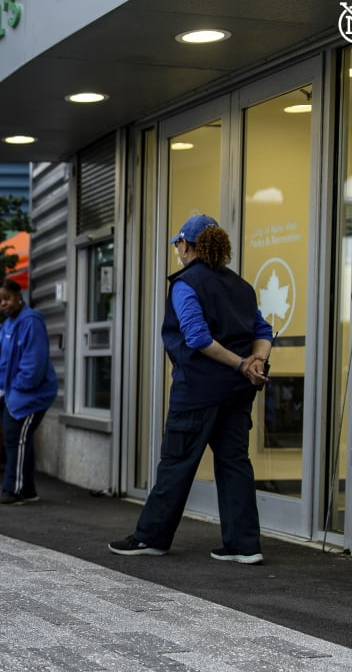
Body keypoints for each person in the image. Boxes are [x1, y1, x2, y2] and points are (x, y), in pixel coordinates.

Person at [110, 215, 273, 564]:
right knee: (234, 463)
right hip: (237, 392)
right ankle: (244, 545)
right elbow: (264, 330)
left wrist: (242, 364)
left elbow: (197, 337)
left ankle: (151, 537)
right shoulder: (242, 286)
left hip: (197, 391)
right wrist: (255, 362)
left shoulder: (185, 284)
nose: (177, 251)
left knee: (177, 462)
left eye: (178, 245)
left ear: (186, 245)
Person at [0, 278, 58, 506]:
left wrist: (18, 389)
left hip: (28, 395)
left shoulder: (31, 321)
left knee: (15, 441)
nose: (3, 304)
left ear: (19, 296)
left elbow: (34, 363)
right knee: (20, 441)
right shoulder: (8, 323)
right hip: (10, 394)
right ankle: (27, 490)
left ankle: (14, 490)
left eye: (7, 298)